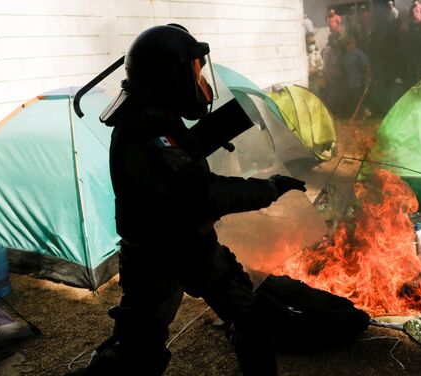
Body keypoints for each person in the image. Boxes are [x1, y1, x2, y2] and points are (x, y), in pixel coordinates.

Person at [66, 24, 307, 376]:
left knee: (252, 317)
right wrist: (268, 189)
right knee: (138, 352)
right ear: (170, 76)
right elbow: (199, 193)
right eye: (193, 71)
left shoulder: (157, 119)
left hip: (191, 244)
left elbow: (178, 159)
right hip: (156, 256)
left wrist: (209, 136)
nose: (200, 81)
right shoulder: (143, 132)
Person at [343, 36, 372, 119]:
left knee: (358, 99)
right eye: (348, 44)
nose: (350, 46)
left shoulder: (358, 53)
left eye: (352, 43)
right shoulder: (346, 56)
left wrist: (367, 78)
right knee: (352, 100)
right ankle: (358, 116)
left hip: (358, 81)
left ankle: (365, 113)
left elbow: (367, 65)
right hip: (349, 82)